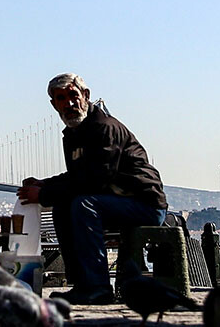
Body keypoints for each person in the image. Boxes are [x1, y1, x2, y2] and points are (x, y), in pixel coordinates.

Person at [18, 73, 168, 305]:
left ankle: (97, 288)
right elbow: (77, 177)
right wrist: (45, 184)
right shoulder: (72, 134)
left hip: (144, 204)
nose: (69, 103)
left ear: (86, 96)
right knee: (63, 206)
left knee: (83, 204)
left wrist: (45, 194)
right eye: (61, 98)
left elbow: (96, 180)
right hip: (114, 202)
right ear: (54, 104)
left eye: (73, 96)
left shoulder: (105, 128)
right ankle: (82, 284)